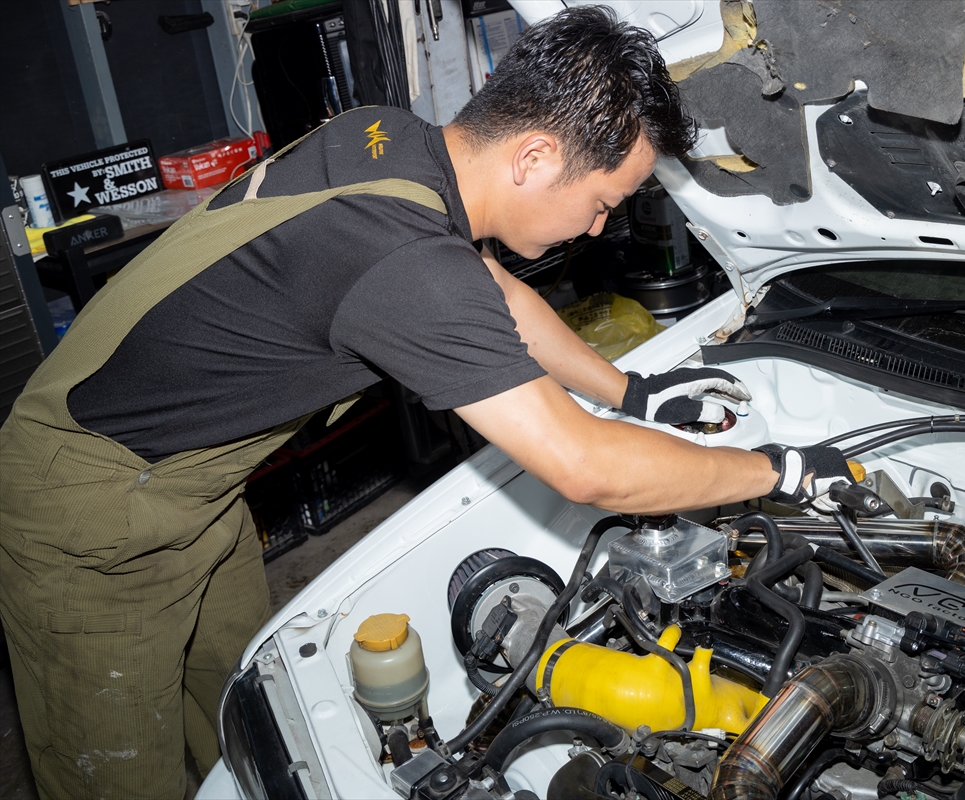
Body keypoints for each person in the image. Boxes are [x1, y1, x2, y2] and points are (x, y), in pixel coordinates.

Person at [0, 7, 820, 799]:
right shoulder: (407, 265)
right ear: (535, 156)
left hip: (197, 481)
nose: (601, 228)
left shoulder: (389, 136)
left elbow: (498, 293)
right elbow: (585, 467)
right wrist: (775, 471)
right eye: (603, 201)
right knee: (115, 773)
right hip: (90, 503)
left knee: (249, 721)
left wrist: (633, 391)